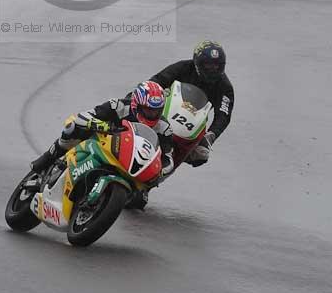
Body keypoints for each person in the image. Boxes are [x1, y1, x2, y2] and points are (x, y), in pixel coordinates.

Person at [30, 80, 175, 209]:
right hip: (103, 143)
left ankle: (103, 202)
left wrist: (159, 172)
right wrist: (103, 126)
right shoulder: (118, 106)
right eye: (148, 110)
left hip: (131, 162)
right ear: (136, 104)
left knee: (138, 201)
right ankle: (47, 159)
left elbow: (168, 159)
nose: (152, 115)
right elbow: (84, 116)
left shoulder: (164, 128)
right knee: (73, 127)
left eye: (156, 111)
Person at [149, 40, 234, 168]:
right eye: (208, 65)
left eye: (217, 66)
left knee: (201, 155)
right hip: (165, 113)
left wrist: (211, 136)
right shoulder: (182, 67)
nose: (212, 69)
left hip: (192, 125)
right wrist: (136, 97)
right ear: (197, 63)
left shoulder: (225, 87)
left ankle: (171, 163)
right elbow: (157, 81)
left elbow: (223, 115)